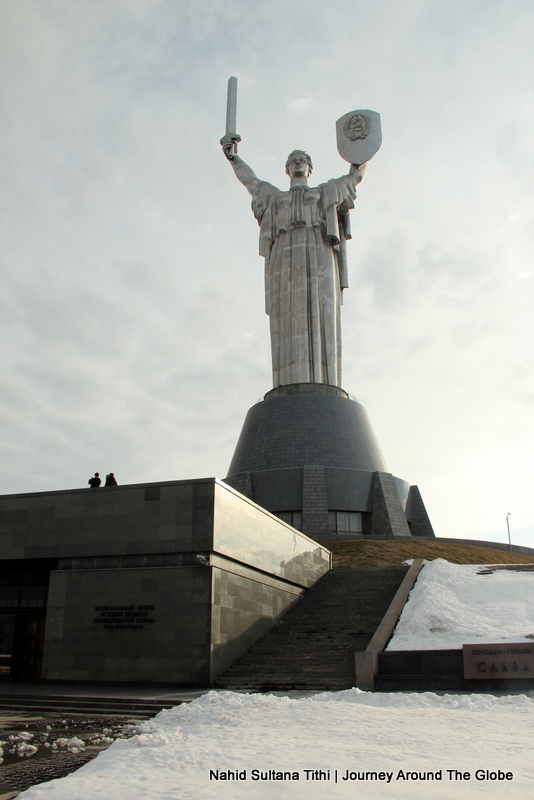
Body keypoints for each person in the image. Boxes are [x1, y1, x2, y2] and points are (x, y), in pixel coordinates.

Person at [221, 138, 365, 388]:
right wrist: (234, 158)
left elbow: (354, 179)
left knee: (322, 307)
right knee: (287, 311)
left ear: (309, 169)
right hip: (285, 253)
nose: (297, 163)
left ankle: (324, 383)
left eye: (302, 160)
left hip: (318, 247)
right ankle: (288, 384)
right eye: (293, 161)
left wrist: (361, 152)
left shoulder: (323, 192)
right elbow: (250, 182)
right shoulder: (275, 198)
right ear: (287, 170)